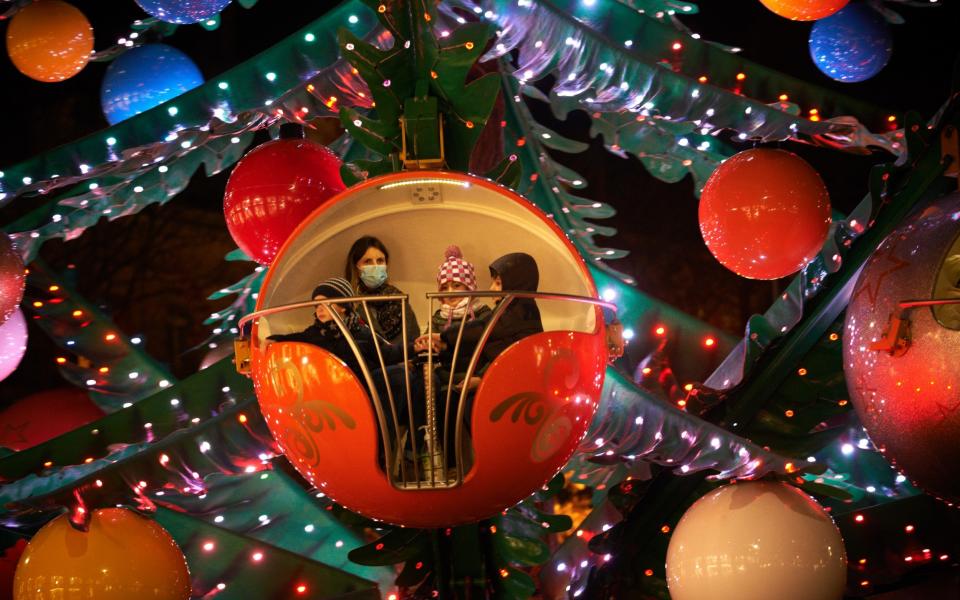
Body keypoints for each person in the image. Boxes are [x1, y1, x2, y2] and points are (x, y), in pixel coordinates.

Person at [415, 252, 544, 391]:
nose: (491, 288)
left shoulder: (519, 311)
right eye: (445, 288)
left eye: (498, 283)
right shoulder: (512, 309)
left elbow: (483, 332)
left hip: (509, 382)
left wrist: (443, 337)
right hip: (491, 376)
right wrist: (441, 347)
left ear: (515, 284)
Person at [344, 236, 420, 345]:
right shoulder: (348, 304)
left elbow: (414, 340)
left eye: (380, 261)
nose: (375, 266)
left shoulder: (400, 299)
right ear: (356, 267)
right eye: (367, 262)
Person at [428, 245, 492, 335]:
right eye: (444, 288)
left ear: (469, 288)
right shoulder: (437, 318)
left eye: (456, 285)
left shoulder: (483, 314)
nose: (450, 292)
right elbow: (427, 342)